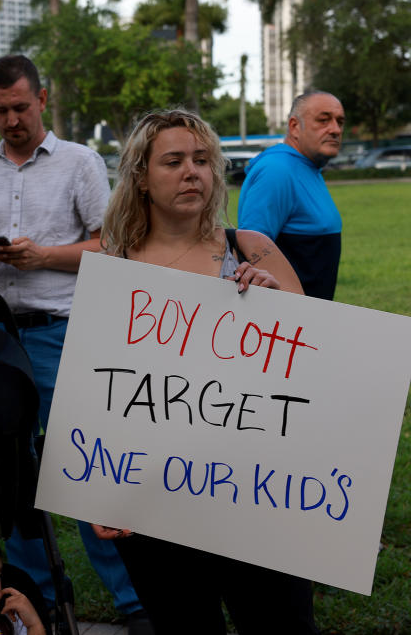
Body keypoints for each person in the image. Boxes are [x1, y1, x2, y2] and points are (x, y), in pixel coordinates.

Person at [0, 54, 149, 631]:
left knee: (84, 463)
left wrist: (42, 257)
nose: (11, 119)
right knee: (11, 473)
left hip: (60, 329)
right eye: (0, 109)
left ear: (43, 99)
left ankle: (132, 601)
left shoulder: (80, 162)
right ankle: (35, 595)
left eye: (20, 107)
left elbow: (111, 248)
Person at [96, 108, 317, 635]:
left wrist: (278, 302)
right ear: (141, 179)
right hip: (156, 500)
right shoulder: (115, 270)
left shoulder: (252, 247)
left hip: (257, 489)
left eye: (202, 160)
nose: (192, 171)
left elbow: (316, 359)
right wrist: (100, 490)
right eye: (173, 161)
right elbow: (101, 390)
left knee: (282, 624)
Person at [238, 91, 346, 300]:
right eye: (323, 120)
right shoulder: (277, 171)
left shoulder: (307, 167)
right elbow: (249, 254)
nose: (335, 129)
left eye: (340, 122)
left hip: (313, 318)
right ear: (295, 126)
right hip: (289, 323)